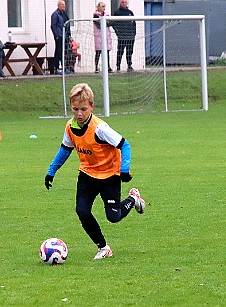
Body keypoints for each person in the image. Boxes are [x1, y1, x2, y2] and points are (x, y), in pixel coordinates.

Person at [44, 83, 146, 260]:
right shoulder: (70, 127)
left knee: (113, 217)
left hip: (109, 175)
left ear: (92, 106)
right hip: (87, 175)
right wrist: (51, 171)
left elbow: (125, 145)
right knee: (82, 211)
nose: (79, 114)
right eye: (75, 109)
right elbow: (65, 150)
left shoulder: (100, 128)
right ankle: (103, 247)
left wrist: (124, 170)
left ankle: (133, 199)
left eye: (83, 109)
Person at [113, 0, 136, 72]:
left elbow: (134, 23)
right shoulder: (117, 13)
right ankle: (118, 66)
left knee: (129, 51)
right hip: (122, 36)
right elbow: (114, 23)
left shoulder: (130, 12)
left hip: (130, 36)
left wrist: (133, 33)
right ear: (120, 3)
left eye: (125, 2)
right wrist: (118, 33)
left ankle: (129, 65)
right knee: (120, 51)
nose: (124, 3)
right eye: (122, 2)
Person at [51, 0, 71, 74]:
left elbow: (67, 24)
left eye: (64, 5)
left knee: (65, 52)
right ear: (58, 5)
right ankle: (56, 67)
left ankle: (64, 67)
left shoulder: (65, 14)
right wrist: (56, 35)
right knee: (58, 51)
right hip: (59, 36)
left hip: (65, 36)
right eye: (62, 5)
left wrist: (69, 35)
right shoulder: (55, 14)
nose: (64, 6)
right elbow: (53, 26)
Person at [93, 2, 113, 73]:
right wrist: (105, 23)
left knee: (107, 52)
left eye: (104, 7)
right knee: (98, 52)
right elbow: (98, 25)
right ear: (98, 7)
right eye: (102, 6)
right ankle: (96, 67)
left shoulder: (106, 14)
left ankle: (108, 67)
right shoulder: (95, 15)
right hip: (99, 36)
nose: (104, 8)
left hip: (106, 35)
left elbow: (110, 23)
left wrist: (107, 23)